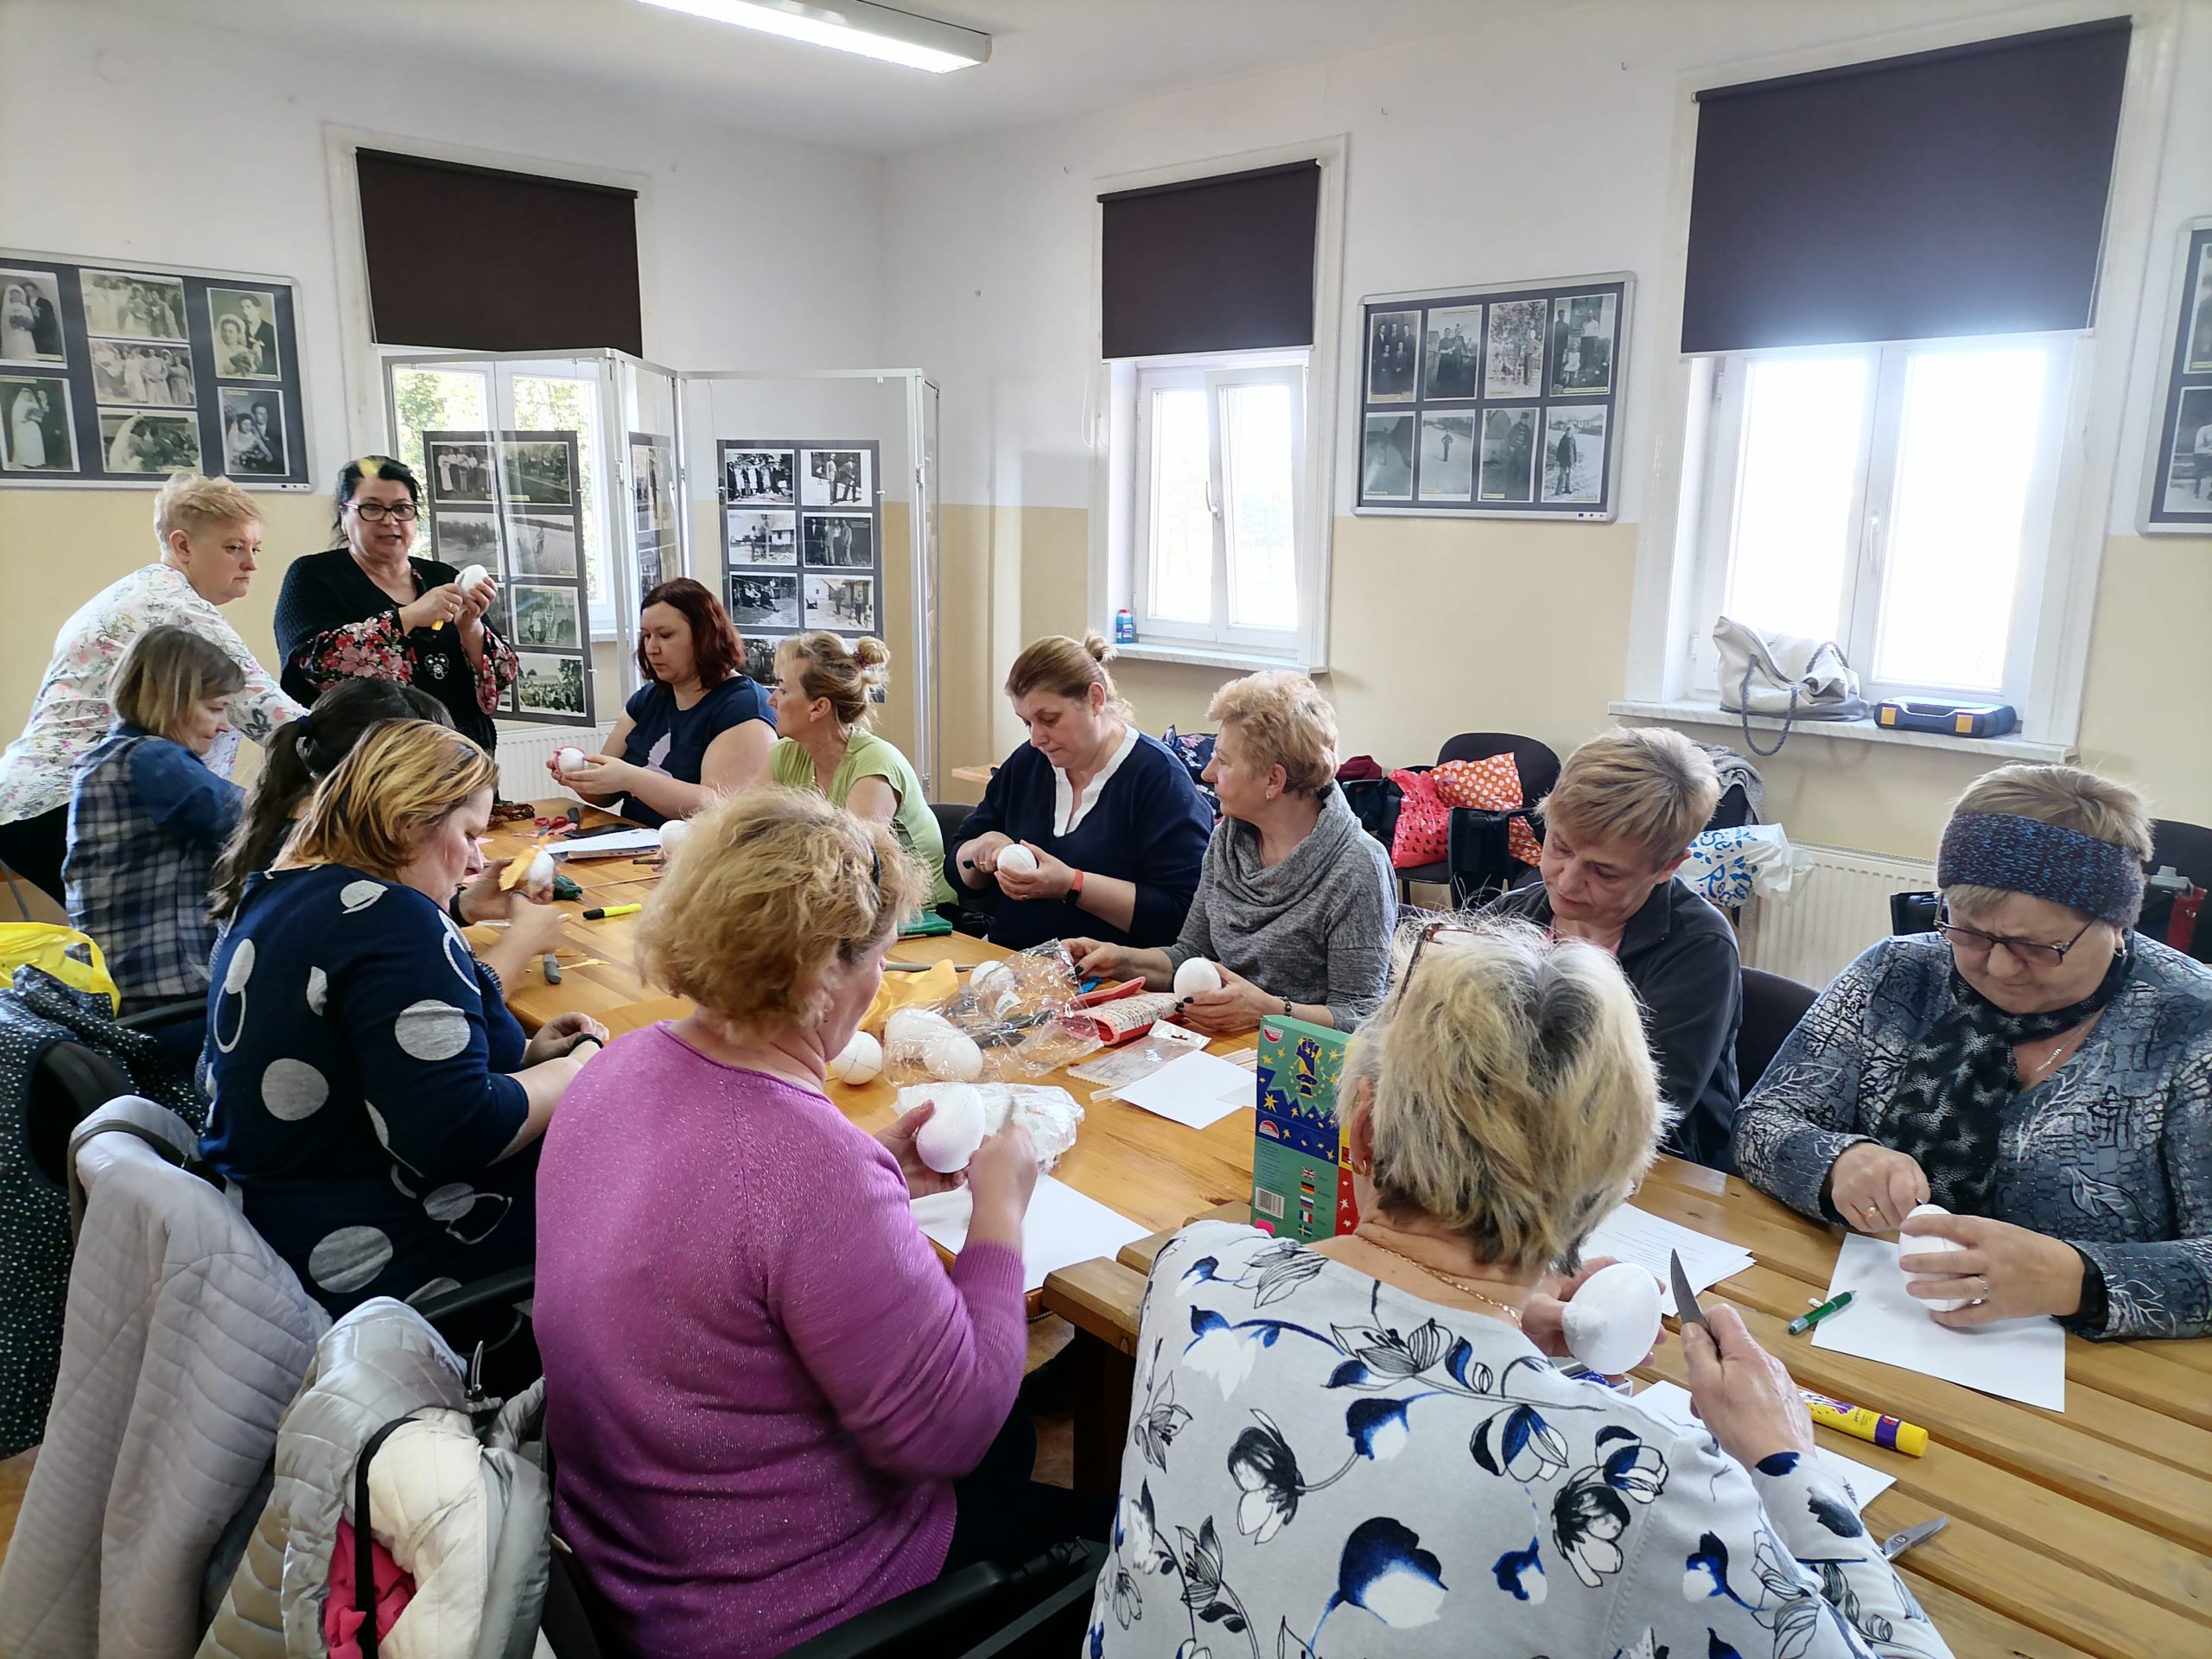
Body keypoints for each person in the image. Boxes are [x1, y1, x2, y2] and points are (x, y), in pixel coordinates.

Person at [1089, 920, 1953, 1659]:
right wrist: (1786, 1463)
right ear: (1614, 1184)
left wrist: (1468, 1321)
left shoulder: (1194, 1270)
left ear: (1361, 1127)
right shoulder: (1639, 1481)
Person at [534, 789, 1104, 1657]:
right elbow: (950, 1429)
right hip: (768, 1613)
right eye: (878, 957)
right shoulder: (809, 1165)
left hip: (617, 1560)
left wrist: (873, 1168)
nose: (879, 982)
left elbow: (726, 1217)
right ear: (819, 974)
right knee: (1106, 1527)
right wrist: (999, 1212)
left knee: (1014, 1434)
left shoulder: (619, 1065)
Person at [1734, 764, 2212, 1340]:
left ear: (2117, 924)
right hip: (1871, 1316)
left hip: (2096, 1363)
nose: (2000, 967)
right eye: (1971, 933)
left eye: (2038, 946)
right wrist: (1839, 1162)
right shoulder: (1899, 972)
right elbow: (1762, 1120)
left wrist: (2079, 1279)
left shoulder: (2192, 1027)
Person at [199, 720, 603, 1315]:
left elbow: (380, 1061)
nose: (474, 861)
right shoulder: (392, 921)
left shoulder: (278, 889)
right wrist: (580, 1071)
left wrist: (525, 1061)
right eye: (469, 835)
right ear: (409, 822)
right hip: (378, 1264)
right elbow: (460, 1134)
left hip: (278, 1228)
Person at [0, 473, 301, 902]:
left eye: (255, 549)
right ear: (183, 546)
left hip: (34, 798)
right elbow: (269, 714)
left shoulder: (138, 592)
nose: (251, 564)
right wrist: (380, 758)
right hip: (71, 799)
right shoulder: (173, 606)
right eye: (234, 548)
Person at [1067, 671, 1395, 1032]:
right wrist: (1118, 960)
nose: (1208, 773)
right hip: (1224, 1047)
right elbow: (1190, 954)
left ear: (1273, 780)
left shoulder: (1358, 866)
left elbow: (1359, 1018)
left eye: (1223, 761)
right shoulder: (1229, 839)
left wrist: (1270, 1011)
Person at [1486, 728, 1741, 1170]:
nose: (1567, 883)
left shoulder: (1700, 949)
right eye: (1560, 846)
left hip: (1657, 1172)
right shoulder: (1513, 914)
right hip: (1512, 1149)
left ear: (1668, 867)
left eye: (1605, 873)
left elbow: (1643, 1112)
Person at [947, 633, 1212, 950]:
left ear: (1095, 699)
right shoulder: (1029, 763)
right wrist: (978, 852)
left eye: (1049, 719)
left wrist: (1072, 885)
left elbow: (1179, 915)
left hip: (1108, 973)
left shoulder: (1159, 779)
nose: (1036, 738)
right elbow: (957, 870)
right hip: (1012, 959)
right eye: (1027, 723)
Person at [62, 627, 245, 1052]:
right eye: (215, 708)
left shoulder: (106, 759)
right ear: (173, 700)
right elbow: (251, 821)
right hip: (167, 994)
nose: (223, 726)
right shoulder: (152, 758)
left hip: (125, 992)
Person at [272, 456, 517, 754]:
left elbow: (501, 676)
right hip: (369, 756)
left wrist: (471, 627)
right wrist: (408, 617)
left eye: (402, 509)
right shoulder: (313, 575)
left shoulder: (442, 576)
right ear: (344, 516)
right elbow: (313, 665)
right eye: (372, 508)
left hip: (462, 752)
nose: (390, 521)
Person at [550, 577, 771, 826]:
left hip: (696, 847)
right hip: (635, 839)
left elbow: (720, 807)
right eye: (646, 636)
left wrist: (632, 778)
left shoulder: (743, 706)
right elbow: (605, 794)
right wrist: (578, 776)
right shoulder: (648, 699)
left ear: (704, 636)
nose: (651, 648)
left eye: (665, 635)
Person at [767, 631, 954, 906]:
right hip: (838, 907)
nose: (771, 699)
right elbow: (748, 832)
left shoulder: (875, 765)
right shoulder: (784, 754)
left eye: (783, 690)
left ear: (818, 708)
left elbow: (854, 872)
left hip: (918, 914)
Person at [8, 384, 46, 469]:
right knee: (23, 444)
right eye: (25, 395)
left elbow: (40, 413)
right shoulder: (17, 404)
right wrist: (22, 420)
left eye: (28, 395)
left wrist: (31, 418)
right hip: (21, 427)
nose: (27, 396)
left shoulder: (31, 404)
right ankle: (24, 461)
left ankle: (34, 461)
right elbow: (15, 417)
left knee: (33, 443)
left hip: (31, 425)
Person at [213, 314, 257, 378]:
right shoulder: (218, 351)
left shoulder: (245, 351)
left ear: (238, 333)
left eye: (231, 331)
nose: (227, 334)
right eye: (224, 331)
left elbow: (253, 370)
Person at [2, 284, 35, 361]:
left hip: (25, 334)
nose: (15, 297)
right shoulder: (7, 309)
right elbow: (5, 323)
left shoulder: (26, 309)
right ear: (10, 297)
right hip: (12, 335)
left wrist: (23, 324)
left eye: (17, 295)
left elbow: (31, 323)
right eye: (13, 295)